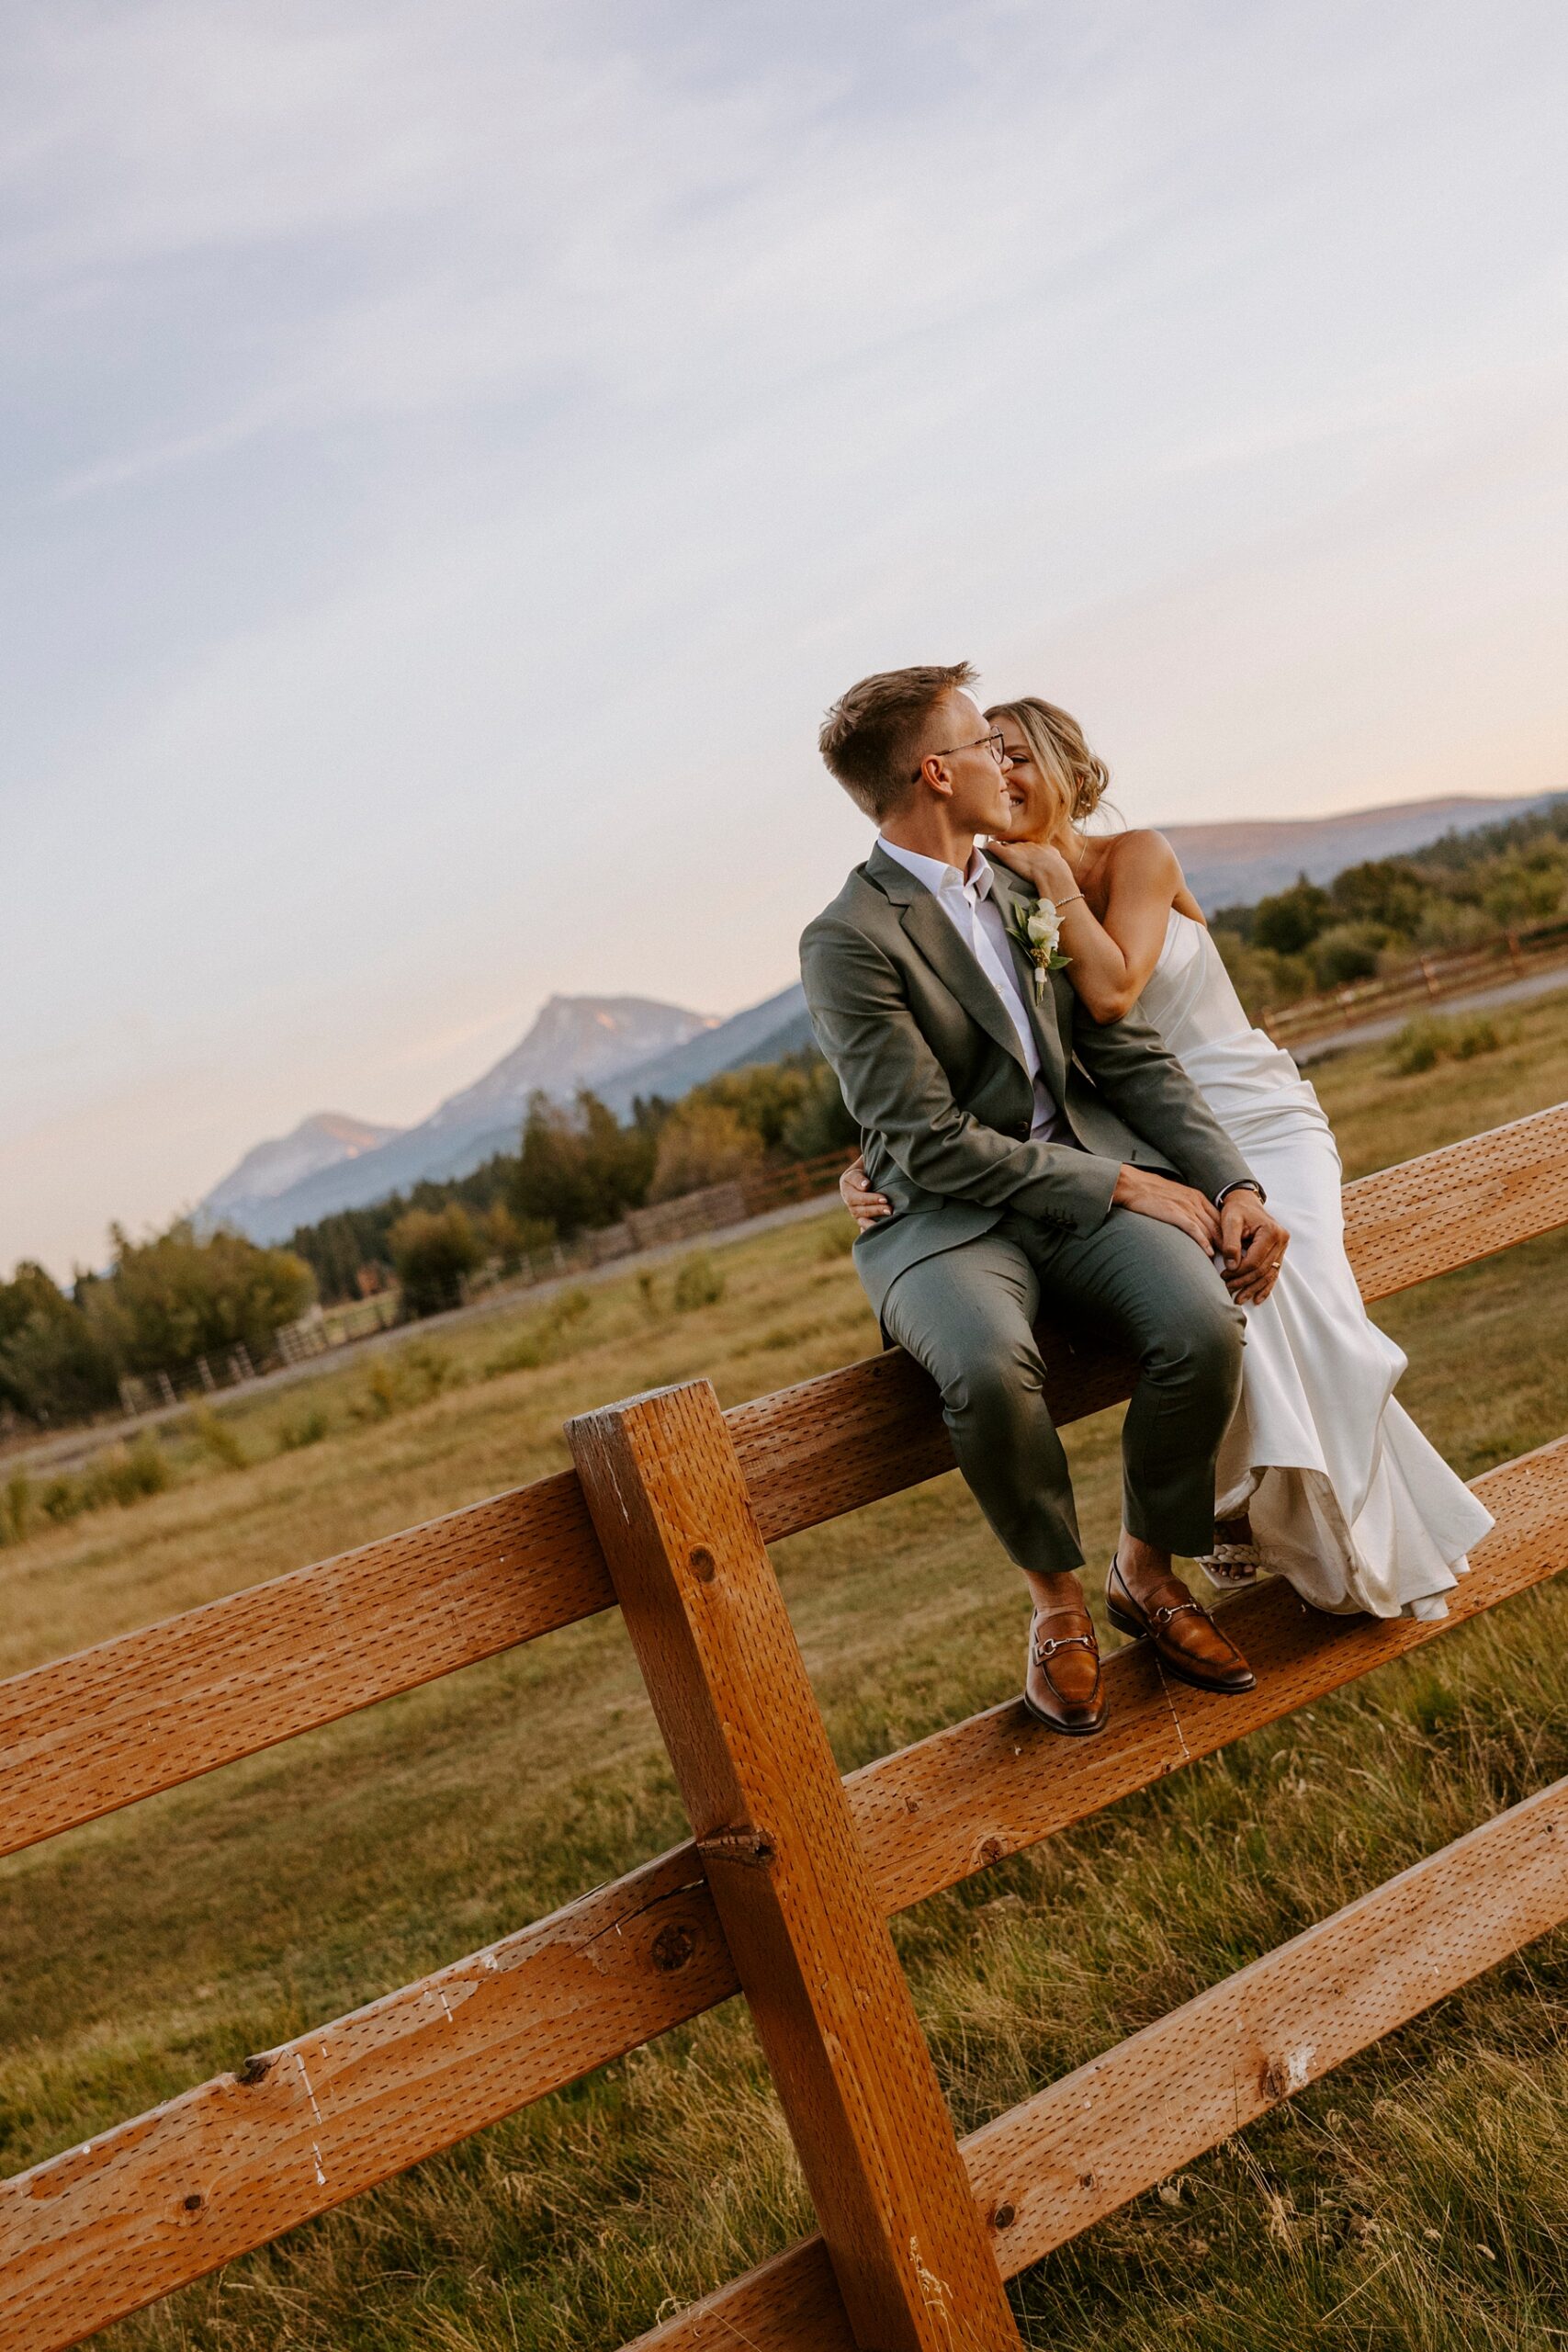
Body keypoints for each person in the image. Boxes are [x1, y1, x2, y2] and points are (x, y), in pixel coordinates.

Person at [842, 692, 1493, 1623]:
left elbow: (1110, 997)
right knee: (1220, 1295)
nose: (1008, 771)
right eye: (993, 753)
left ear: (1065, 768)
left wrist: (1052, 883)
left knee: (1289, 1286)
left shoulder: (1131, 857)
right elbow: (975, 1060)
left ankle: (1352, 1535)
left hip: (1249, 1114)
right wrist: (875, 1160)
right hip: (1143, 1139)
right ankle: (1271, 1535)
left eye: (1020, 752)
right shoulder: (993, 901)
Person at [800, 662, 1292, 1736]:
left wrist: (1230, 1180)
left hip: (1077, 1182)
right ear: (936, 772)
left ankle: (1144, 1569)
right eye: (983, 744)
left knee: (1203, 1322)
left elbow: (1130, 1056)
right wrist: (1122, 1180)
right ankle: (1057, 1606)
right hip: (938, 1215)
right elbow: (927, 1141)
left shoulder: (1027, 888)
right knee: (985, 1365)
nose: (1001, 761)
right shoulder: (847, 937)